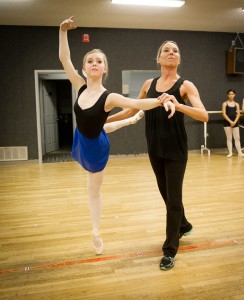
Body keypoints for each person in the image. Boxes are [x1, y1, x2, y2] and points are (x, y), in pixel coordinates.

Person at [59, 17, 175, 255]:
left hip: (96, 148)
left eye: (99, 61)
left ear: (104, 69)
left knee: (93, 190)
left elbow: (135, 101)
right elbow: (64, 58)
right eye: (89, 61)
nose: (94, 63)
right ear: (84, 68)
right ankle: (130, 121)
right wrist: (62, 31)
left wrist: (161, 99)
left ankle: (96, 232)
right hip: (81, 137)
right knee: (100, 126)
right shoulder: (79, 85)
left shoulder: (109, 97)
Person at [107, 40, 208, 270]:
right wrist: (104, 119)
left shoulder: (185, 85)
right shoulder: (148, 84)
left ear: (178, 59)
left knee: (173, 200)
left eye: (175, 51)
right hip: (154, 148)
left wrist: (178, 104)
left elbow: (203, 115)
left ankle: (169, 250)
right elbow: (131, 109)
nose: (171, 53)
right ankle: (183, 224)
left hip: (176, 150)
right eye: (166, 50)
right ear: (159, 58)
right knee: (167, 195)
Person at [222, 89, 244, 158]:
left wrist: (235, 122)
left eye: (232, 94)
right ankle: (230, 152)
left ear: (234, 95)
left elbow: (238, 114)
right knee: (229, 138)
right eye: (230, 94)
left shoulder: (236, 104)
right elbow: (224, 114)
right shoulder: (225, 104)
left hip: (235, 123)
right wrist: (230, 121)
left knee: (237, 138)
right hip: (227, 123)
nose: (231, 95)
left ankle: (239, 152)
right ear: (227, 95)